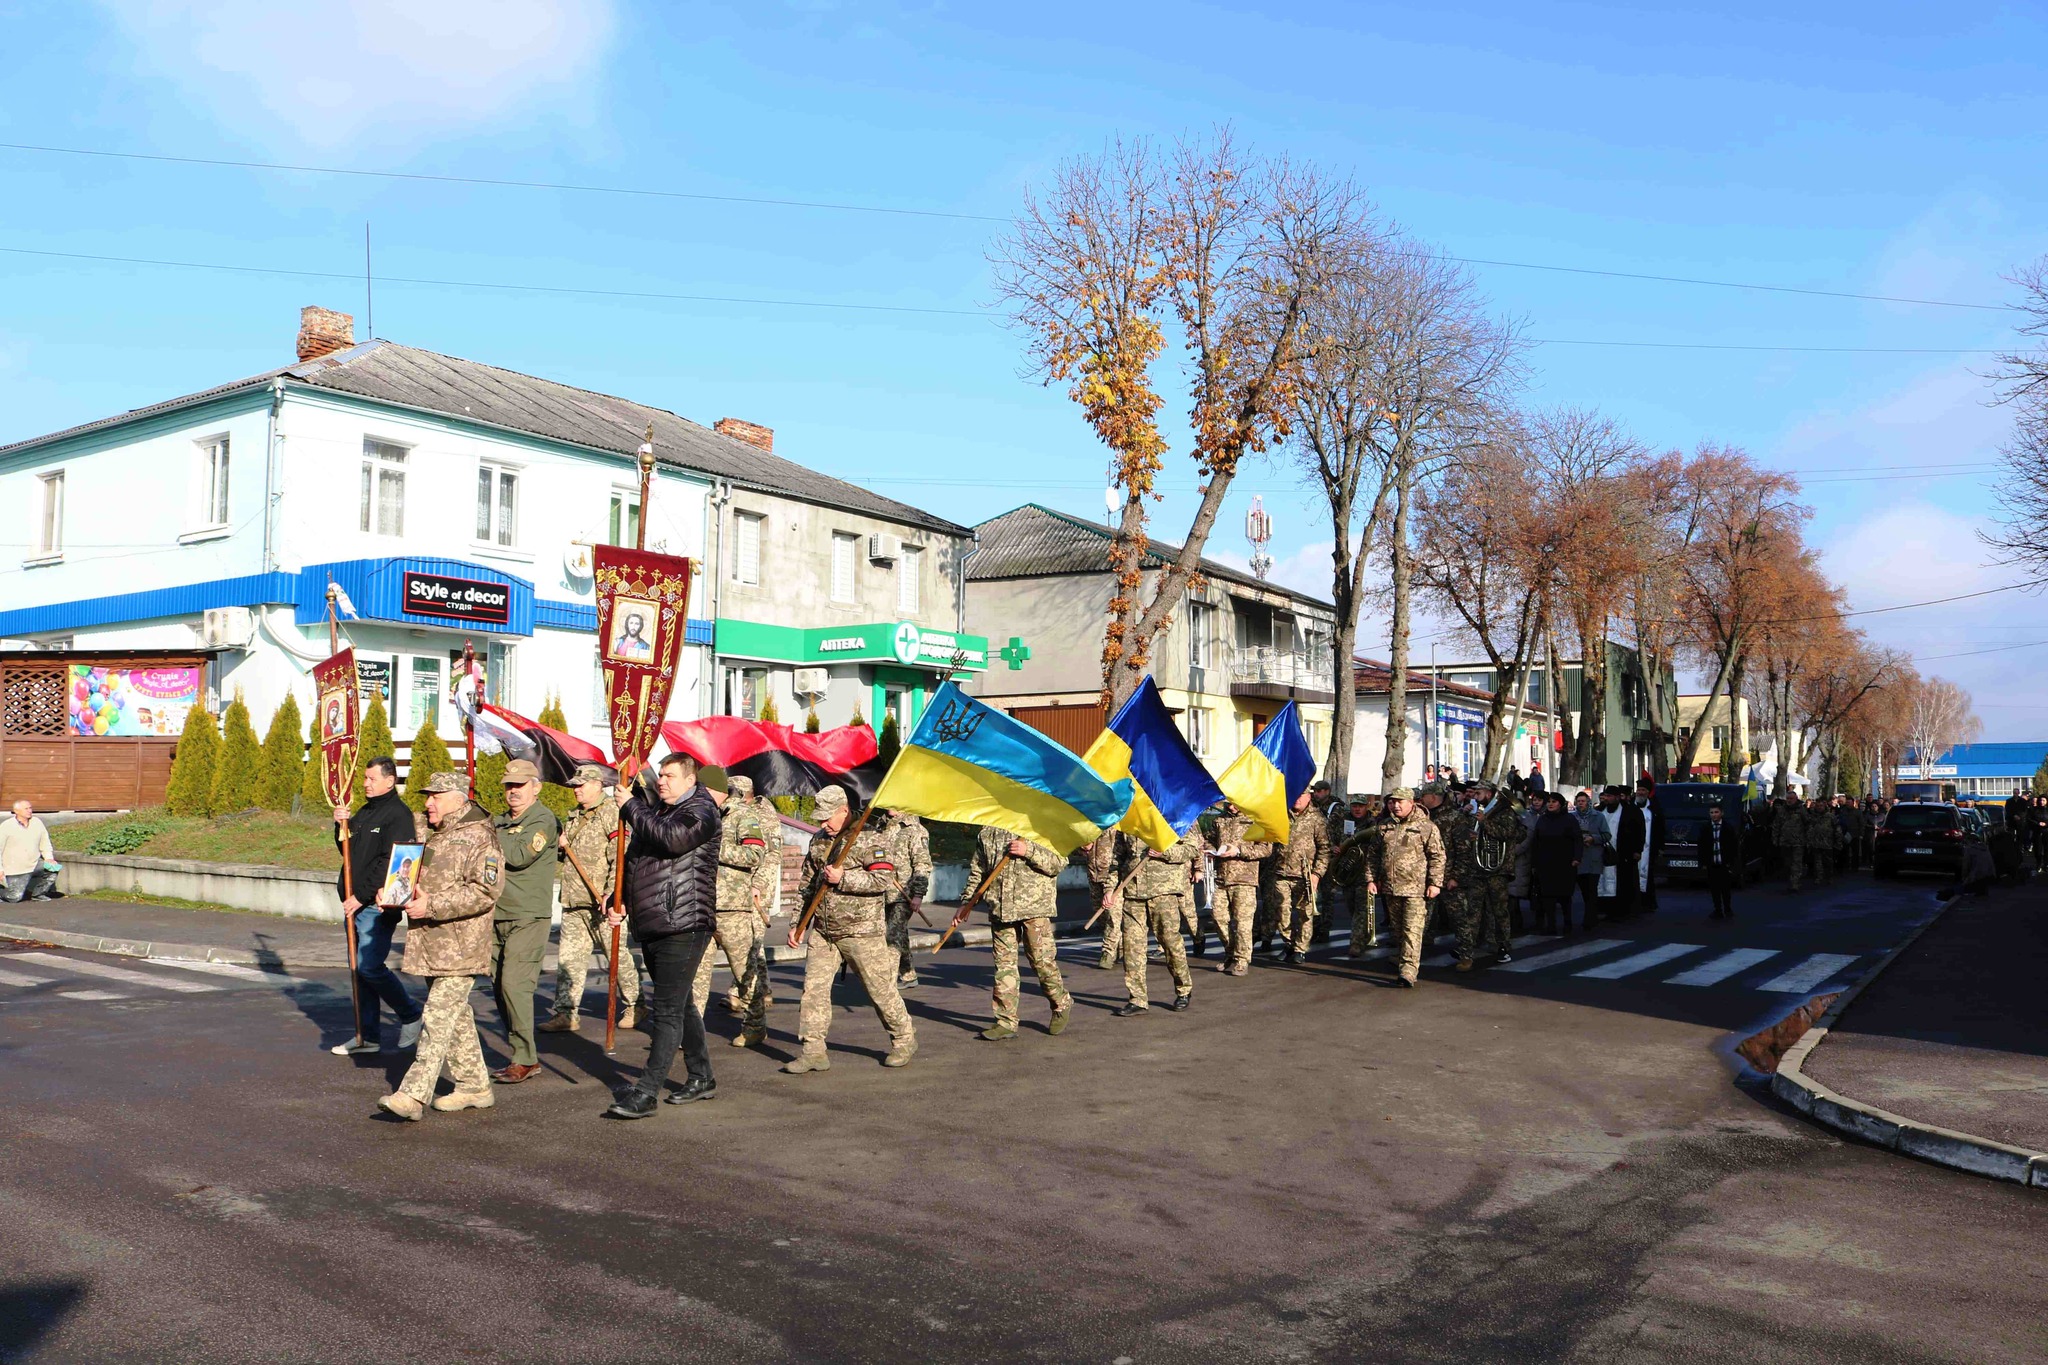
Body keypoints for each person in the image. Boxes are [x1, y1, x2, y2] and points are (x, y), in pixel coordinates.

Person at [378, 771, 503, 1121]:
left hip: (461, 947)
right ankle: (475, 1086)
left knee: (435, 1016)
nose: (428, 802)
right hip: (432, 944)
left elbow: (485, 891)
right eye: (427, 796)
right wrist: (392, 893)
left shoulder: (481, 838)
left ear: (458, 798)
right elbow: (408, 869)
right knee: (456, 1017)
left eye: (436, 795)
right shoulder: (429, 832)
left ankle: (413, 1095)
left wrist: (432, 905)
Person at [606, 754, 723, 1118]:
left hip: (685, 922)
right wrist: (617, 900)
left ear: (691, 779)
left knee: (667, 1010)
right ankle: (702, 1077)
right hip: (657, 920)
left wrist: (630, 808)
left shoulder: (701, 811)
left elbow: (673, 842)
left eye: (670, 775)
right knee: (682, 1004)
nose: (662, 781)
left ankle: (646, 1092)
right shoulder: (658, 812)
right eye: (661, 775)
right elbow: (636, 859)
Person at [783, 786, 915, 1074]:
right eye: (818, 819)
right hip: (824, 930)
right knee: (813, 992)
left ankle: (903, 1039)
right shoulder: (819, 841)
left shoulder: (870, 838)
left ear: (844, 811)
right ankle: (813, 1051)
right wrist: (798, 923)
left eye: (826, 818)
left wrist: (845, 878)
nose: (821, 824)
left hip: (861, 930)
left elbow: (882, 880)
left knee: (879, 990)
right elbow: (808, 885)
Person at [329, 757, 422, 1056]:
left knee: (369, 966)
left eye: (371, 778)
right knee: (359, 971)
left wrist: (361, 896)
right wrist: (340, 824)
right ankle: (367, 1036)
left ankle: (410, 1014)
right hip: (353, 903)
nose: (366, 783)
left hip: (375, 906)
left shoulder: (398, 815)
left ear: (389, 780)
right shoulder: (366, 811)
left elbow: (391, 864)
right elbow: (347, 848)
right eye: (365, 778)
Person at [541, 764, 637, 1035]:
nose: (576, 790)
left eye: (582, 785)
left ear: (598, 785)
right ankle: (565, 1012)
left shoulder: (613, 813)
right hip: (574, 900)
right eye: (574, 786)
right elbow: (568, 858)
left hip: (604, 902)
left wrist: (613, 893)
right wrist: (561, 845)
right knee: (568, 960)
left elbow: (620, 857)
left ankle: (634, 1003)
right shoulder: (573, 817)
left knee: (616, 956)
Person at [488, 759, 560, 1086]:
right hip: (496, 914)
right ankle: (519, 1052)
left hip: (528, 915)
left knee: (514, 985)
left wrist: (487, 832)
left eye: (520, 785)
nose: (513, 791)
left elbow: (518, 856)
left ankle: (526, 1059)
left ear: (536, 787)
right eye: (508, 786)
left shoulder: (543, 820)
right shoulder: (498, 821)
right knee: (499, 988)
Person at [967, 824, 1073, 1041]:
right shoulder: (987, 832)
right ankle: (1005, 1021)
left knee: (1041, 962)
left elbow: (1058, 863)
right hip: (1000, 909)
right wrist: (967, 901)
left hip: (1034, 908)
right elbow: (978, 869)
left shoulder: (1039, 826)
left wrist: (1029, 851)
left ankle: (1061, 1002)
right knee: (1003, 967)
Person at [692, 773, 772, 1049]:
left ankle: (755, 1027)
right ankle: (690, 1030)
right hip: (701, 905)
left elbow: (755, 854)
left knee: (745, 974)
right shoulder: (702, 816)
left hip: (733, 909)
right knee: (695, 975)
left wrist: (715, 848)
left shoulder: (743, 816)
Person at [1362, 787, 1445, 988]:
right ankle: (1403, 958)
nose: (1396, 805)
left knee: (1412, 931)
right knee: (1398, 931)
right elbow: (1373, 855)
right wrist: (1371, 879)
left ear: (1412, 803)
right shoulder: (1384, 827)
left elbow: (1437, 856)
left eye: (1400, 802)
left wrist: (1435, 883)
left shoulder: (1426, 827)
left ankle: (1408, 971)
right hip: (1391, 889)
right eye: (1393, 802)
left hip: (1416, 890)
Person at [1111, 828, 1198, 1015]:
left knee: (1169, 942)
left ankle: (1184, 989)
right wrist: (1110, 889)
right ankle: (1137, 999)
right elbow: (1116, 858)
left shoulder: (1172, 815)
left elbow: (1192, 848)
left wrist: (1164, 852)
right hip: (1133, 891)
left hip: (1163, 890)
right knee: (1132, 947)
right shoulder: (1128, 819)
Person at [1205, 802, 1271, 976]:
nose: (1231, 807)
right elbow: (1209, 840)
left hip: (1245, 879)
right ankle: (1230, 952)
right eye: (1228, 803)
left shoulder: (1255, 820)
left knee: (1243, 923)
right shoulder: (1220, 820)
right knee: (1218, 918)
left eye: (1234, 804)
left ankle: (1242, 959)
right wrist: (1212, 850)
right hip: (1221, 877)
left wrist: (1239, 851)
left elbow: (1265, 849)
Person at [1265, 789, 1330, 963]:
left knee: (1304, 913)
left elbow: (1325, 849)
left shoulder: (1317, 818)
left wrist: (1317, 874)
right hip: (1281, 872)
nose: (1297, 799)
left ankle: (1300, 949)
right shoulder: (1282, 814)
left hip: (1305, 874)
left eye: (1302, 795)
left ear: (1309, 796)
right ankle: (1288, 944)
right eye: (1295, 794)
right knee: (1281, 912)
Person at [1464, 778, 1521, 964]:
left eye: (1478, 793)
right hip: (1478, 868)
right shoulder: (1478, 811)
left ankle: (1503, 946)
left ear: (1488, 793)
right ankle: (1467, 946)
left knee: (1499, 910)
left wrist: (1484, 823)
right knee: (1473, 908)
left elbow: (1506, 834)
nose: (1475, 796)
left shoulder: (1504, 812)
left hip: (1498, 869)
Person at [1421, 783, 1470, 958]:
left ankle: (1466, 954)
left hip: (1450, 877)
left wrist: (1456, 877)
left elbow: (1464, 850)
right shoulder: (1423, 817)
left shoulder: (1455, 817)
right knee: (1421, 917)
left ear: (1433, 797)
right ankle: (1412, 953)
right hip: (1428, 877)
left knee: (1459, 918)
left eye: (1424, 796)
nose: (1421, 799)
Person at [1527, 792, 1583, 935]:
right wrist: (1534, 864)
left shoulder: (1569, 819)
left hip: (1565, 863)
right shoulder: (1542, 820)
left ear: (1561, 804)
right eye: (1549, 801)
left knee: (1564, 896)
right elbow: (1536, 842)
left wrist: (1577, 858)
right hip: (1545, 864)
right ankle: (1551, 925)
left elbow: (1577, 839)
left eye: (1554, 801)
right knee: (1547, 897)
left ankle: (1567, 924)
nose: (1550, 804)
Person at [0, 799, 59, 903]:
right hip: (14, 868)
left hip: (35, 863)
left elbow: (45, 842)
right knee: (14, 897)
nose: (29, 810)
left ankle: (38, 894)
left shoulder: (37, 822)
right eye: (26, 808)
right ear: (16, 811)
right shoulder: (6, 826)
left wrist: (49, 858)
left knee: (53, 868)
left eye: (30, 808)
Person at [1571, 789, 1610, 931]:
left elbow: (1607, 835)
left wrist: (1594, 838)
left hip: (1594, 857)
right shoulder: (1572, 817)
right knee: (1584, 890)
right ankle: (1590, 915)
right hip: (1578, 857)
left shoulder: (1598, 816)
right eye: (1578, 801)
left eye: (1583, 801)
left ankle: (1590, 919)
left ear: (1588, 803)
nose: (1581, 803)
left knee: (1592, 889)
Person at [1704, 804, 1741, 919]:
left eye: (1716, 812)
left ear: (1721, 813)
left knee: (1725, 888)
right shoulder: (1706, 828)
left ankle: (1727, 909)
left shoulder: (1728, 828)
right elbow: (1702, 846)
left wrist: (1732, 862)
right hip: (1712, 863)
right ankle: (1718, 910)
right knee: (1714, 888)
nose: (1714, 815)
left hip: (1724, 863)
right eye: (1712, 812)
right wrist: (1703, 862)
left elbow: (1733, 846)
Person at [1774, 795, 1808, 892]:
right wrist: (1775, 838)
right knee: (1788, 863)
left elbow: (1807, 823)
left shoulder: (1801, 810)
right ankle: (1792, 880)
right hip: (1785, 841)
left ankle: (1795, 884)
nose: (1789, 800)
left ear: (1796, 799)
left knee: (1796, 863)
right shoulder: (1782, 810)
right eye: (1788, 798)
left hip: (1798, 841)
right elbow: (1777, 825)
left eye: (1791, 799)